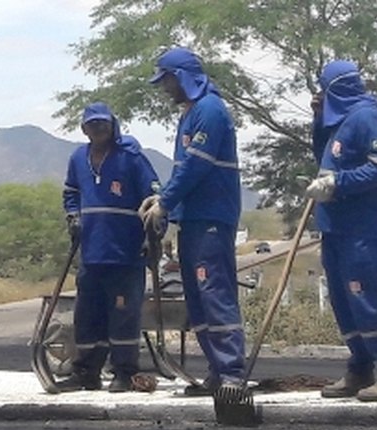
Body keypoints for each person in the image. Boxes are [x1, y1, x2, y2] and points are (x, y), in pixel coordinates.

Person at [141, 47, 245, 396]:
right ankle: (217, 372)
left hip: (212, 217)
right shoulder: (191, 114)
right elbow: (185, 169)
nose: (165, 88)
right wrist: (163, 199)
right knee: (199, 298)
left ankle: (231, 373)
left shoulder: (210, 111)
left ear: (183, 77)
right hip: (194, 218)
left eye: (167, 80)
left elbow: (197, 166)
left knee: (214, 293)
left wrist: (166, 200)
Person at [306, 61, 377, 401]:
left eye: (323, 89)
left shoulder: (368, 118)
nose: (318, 94)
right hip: (336, 225)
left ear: (338, 88)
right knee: (343, 298)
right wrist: (318, 118)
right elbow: (326, 158)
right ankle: (360, 367)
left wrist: (339, 182)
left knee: (367, 295)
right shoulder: (339, 124)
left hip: (362, 225)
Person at [62, 102, 161, 392]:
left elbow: (155, 197)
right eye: (92, 124)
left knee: (123, 316)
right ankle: (86, 373)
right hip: (91, 254)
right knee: (87, 316)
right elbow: (70, 193)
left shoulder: (131, 158)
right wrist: (74, 216)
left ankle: (125, 372)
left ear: (113, 125)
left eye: (103, 123)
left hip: (126, 253)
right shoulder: (78, 158)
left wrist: (153, 235)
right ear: (84, 128)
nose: (98, 129)